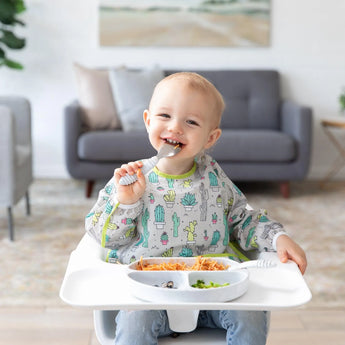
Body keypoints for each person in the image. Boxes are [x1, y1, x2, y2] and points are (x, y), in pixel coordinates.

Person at [85, 72, 307, 345]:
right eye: (165, 116)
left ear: (210, 138)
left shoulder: (214, 177)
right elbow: (103, 236)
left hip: (214, 290)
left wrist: (276, 237)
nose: (175, 127)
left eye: (191, 121)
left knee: (249, 316)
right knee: (134, 321)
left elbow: (241, 218)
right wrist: (126, 201)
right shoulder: (130, 179)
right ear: (147, 120)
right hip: (150, 292)